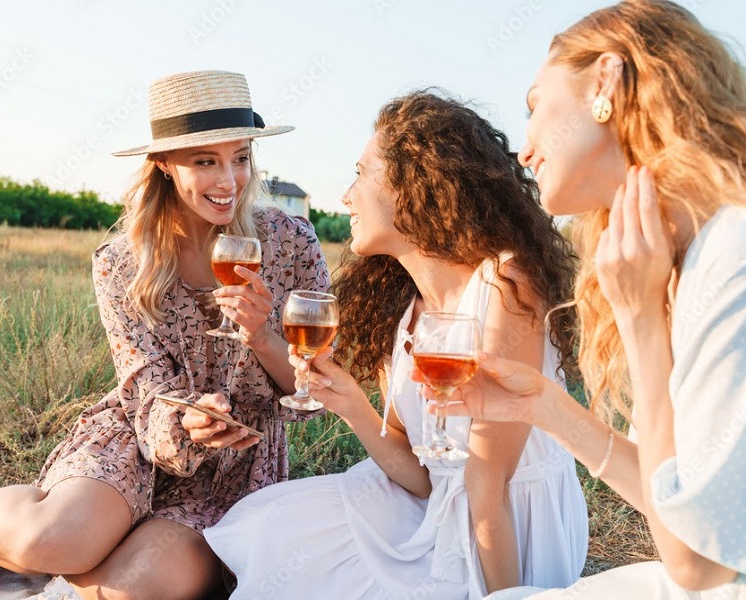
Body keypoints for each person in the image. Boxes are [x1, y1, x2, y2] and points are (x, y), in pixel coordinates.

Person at [0, 70, 329, 599]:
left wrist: (261, 334)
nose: (230, 181)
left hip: (236, 470)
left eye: (240, 157)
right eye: (205, 161)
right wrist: (189, 419)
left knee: (133, 588)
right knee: (51, 542)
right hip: (136, 439)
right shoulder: (121, 262)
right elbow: (144, 390)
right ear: (164, 166)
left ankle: (91, 538)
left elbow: (318, 389)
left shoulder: (291, 242)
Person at [205, 90, 589, 598]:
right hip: (440, 507)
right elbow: (427, 478)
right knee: (270, 525)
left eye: (361, 173)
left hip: (511, 529)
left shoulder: (504, 285)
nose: (346, 195)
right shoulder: (403, 311)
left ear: (415, 185)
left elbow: (487, 489)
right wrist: (352, 406)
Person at [431, 2, 746, 598]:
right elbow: (683, 503)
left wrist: (642, 323)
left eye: (534, 106)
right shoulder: (694, 256)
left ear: (604, 83)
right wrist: (545, 407)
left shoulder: (731, 257)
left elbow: (699, 562)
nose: (524, 151)